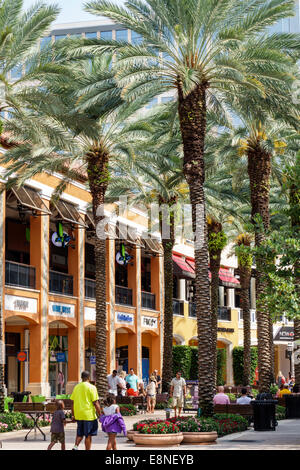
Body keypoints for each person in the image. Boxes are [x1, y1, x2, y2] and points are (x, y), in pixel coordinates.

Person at [70, 370, 101, 451]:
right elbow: (95, 402)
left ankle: (75, 446)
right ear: (89, 378)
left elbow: (72, 403)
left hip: (79, 414)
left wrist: (73, 415)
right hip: (88, 415)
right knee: (88, 435)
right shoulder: (92, 387)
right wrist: (100, 415)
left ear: (81, 378)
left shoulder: (76, 387)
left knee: (79, 433)